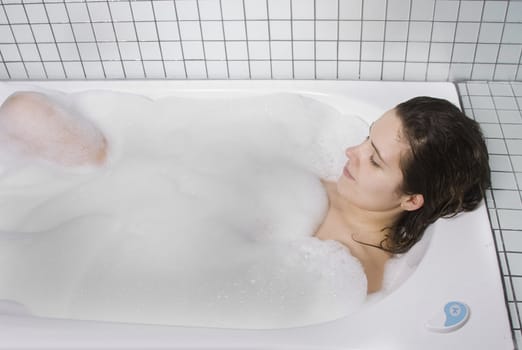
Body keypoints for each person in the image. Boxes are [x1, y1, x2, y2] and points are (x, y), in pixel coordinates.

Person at [0, 92, 491, 293]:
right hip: (143, 180)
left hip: (131, 239)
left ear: (412, 201)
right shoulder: (329, 172)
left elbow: (214, 279)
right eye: (366, 137)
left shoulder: (351, 265)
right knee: (25, 110)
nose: (350, 150)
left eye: (374, 158)